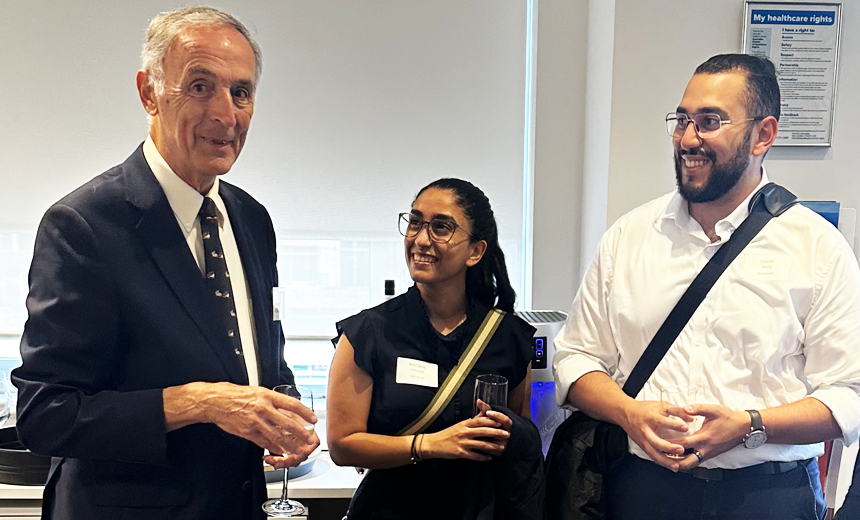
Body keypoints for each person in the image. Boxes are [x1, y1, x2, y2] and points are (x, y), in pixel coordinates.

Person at [11, 7, 319, 520]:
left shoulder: (251, 219)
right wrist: (198, 402)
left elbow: (258, 359)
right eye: (201, 87)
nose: (226, 114)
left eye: (241, 92)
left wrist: (281, 410)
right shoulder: (83, 225)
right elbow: (45, 415)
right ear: (149, 92)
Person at [553, 53, 860, 520]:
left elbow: (848, 393)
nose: (687, 139)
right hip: (642, 489)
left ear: (764, 135)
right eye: (682, 120)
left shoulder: (817, 247)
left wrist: (750, 426)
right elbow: (576, 358)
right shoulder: (629, 236)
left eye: (710, 121)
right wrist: (627, 412)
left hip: (768, 497)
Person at [327, 178, 545, 519]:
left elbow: (520, 437)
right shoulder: (368, 333)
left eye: (441, 227)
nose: (421, 239)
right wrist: (430, 444)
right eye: (415, 222)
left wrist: (508, 434)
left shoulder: (508, 338)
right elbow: (342, 445)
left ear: (475, 251)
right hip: (389, 511)